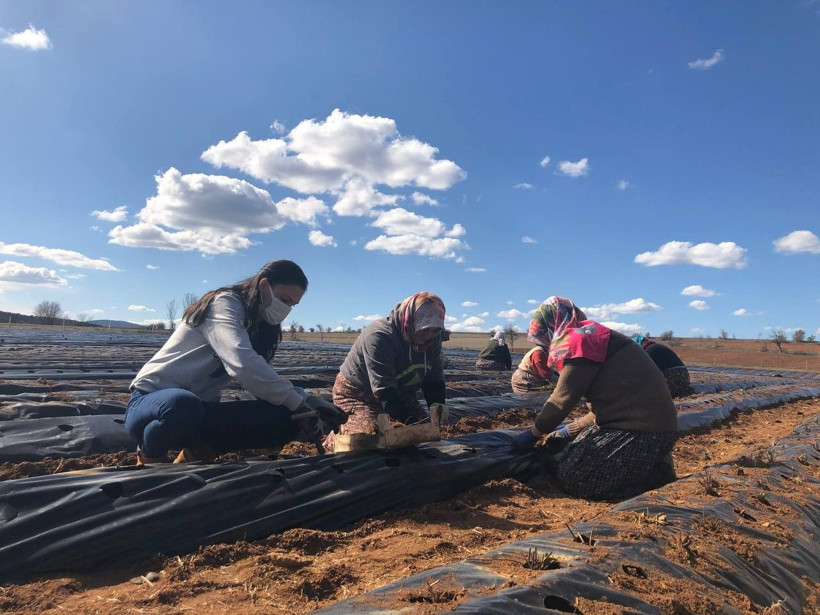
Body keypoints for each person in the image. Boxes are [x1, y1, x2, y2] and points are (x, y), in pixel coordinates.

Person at [125, 260, 347, 465]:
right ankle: (149, 454)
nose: (286, 309)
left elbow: (264, 377)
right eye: (284, 300)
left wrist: (309, 401)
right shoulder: (224, 304)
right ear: (263, 285)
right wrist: (297, 401)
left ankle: (191, 461)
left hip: (200, 411)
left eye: (293, 305)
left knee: (285, 417)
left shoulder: (262, 327)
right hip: (150, 403)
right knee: (182, 405)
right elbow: (242, 362)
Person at [513, 297, 678, 501]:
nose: (545, 346)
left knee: (574, 479)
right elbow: (606, 406)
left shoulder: (580, 342)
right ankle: (649, 466)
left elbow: (561, 400)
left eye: (543, 339)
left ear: (552, 327)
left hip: (645, 430)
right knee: (566, 456)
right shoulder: (590, 335)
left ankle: (650, 481)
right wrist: (566, 432)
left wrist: (535, 432)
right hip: (640, 424)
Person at [325, 292, 447, 452]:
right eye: (424, 330)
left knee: (427, 436)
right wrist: (409, 423)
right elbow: (385, 392)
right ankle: (332, 441)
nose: (428, 336)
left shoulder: (433, 338)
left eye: (434, 330)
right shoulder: (379, 336)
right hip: (359, 394)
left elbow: (434, 377)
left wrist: (437, 407)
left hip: (402, 393)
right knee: (370, 440)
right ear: (410, 320)